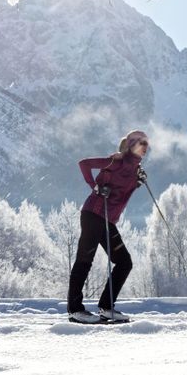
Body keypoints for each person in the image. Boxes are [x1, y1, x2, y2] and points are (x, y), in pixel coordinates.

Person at [67, 130, 149, 323]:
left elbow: (121, 193)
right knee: (84, 261)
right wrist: (94, 186)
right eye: (141, 143)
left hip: (107, 221)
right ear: (131, 145)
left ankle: (106, 307)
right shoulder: (117, 161)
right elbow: (84, 164)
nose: (145, 147)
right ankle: (75, 310)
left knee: (124, 262)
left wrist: (137, 182)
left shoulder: (135, 169)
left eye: (146, 143)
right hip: (94, 214)